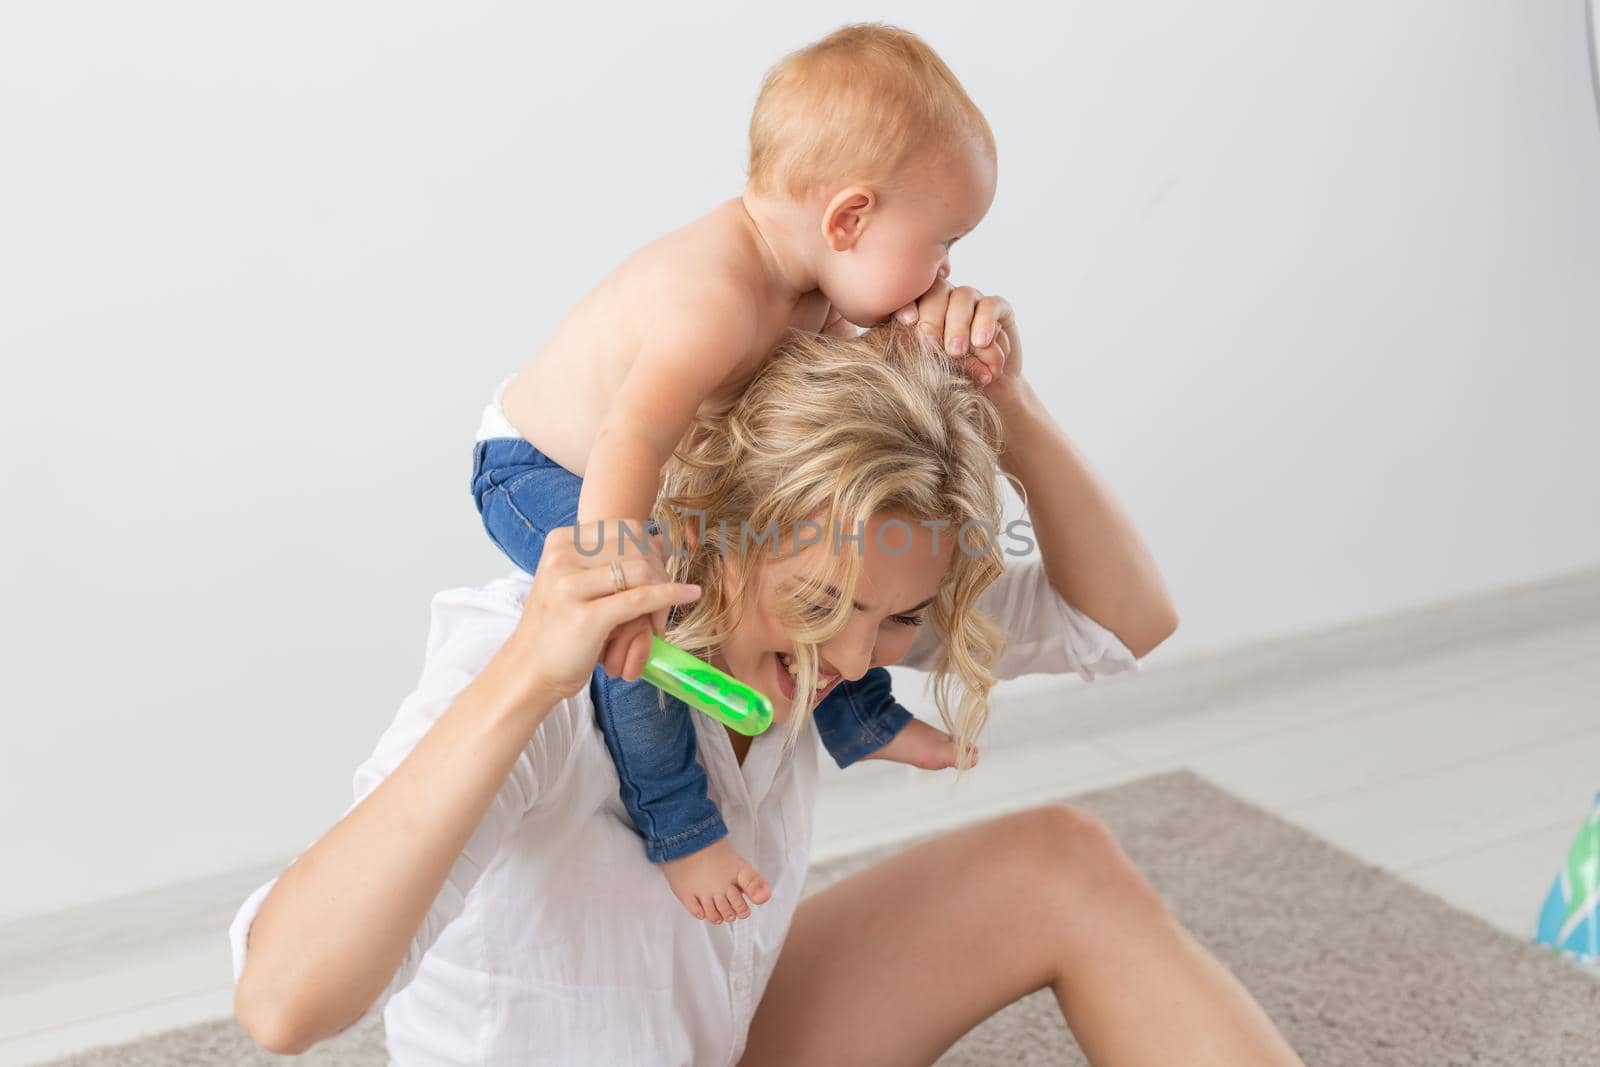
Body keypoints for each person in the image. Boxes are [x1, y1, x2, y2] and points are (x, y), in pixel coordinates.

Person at [230, 299, 1307, 1065]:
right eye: (820, 606)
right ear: (712, 532)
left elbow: (1122, 622)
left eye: (895, 617)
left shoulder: (838, 608)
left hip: (714, 1038)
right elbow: (284, 1003)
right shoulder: (531, 660)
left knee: (1060, 861)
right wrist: (523, 678)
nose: (848, 661)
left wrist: (1007, 404)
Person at [472, 22, 1002, 919]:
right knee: (647, 630)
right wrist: (615, 567)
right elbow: (631, 439)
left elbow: (848, 454)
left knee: (835, 565)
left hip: (630, 459)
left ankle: (859, 716)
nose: (945, 264)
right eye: (940, 240)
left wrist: (945, 343)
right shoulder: (714, 298)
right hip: (540, 465)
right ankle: (681, 824)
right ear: (849, 219)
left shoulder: (812, 292)